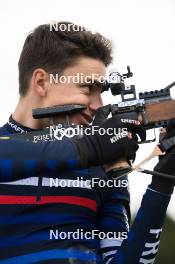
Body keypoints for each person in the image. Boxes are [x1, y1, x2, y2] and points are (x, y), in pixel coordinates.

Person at [0, 21, 174, 264]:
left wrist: (163, 182)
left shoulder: (103, 167)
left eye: (101, 91)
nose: (98, 106)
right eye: (87, 88)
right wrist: (90, 147)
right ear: (41, 82)